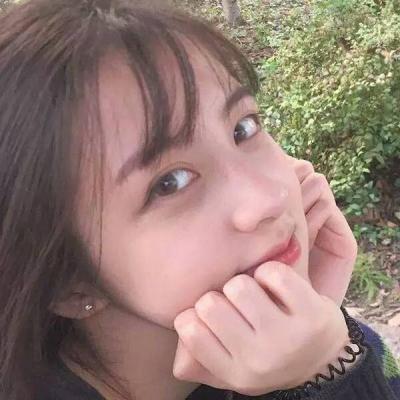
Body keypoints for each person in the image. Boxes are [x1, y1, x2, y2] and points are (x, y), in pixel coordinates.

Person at [0, 0, 398, 399]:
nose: (271, 198)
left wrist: (323, 343)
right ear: (69, 283)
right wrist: (326, 372)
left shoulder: (289, 347)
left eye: (243, 128)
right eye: (170, 183)